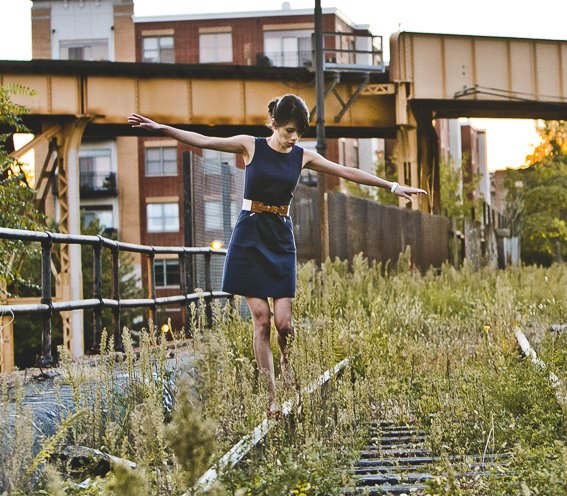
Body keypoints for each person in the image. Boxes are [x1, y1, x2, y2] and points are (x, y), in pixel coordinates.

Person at [129, 94, 425, 414]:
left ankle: (287, 364)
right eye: (287, 131)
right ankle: (271, 398)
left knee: (284, 323)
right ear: (273, 124)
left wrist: (393, 186)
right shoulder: (250, 145)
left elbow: (346, 171)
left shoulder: (301, 156)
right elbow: (204, 139)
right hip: (250, 237)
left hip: (280, 238)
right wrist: (163, 128)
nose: (293, 137)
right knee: (262, 320)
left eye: (298, 132)